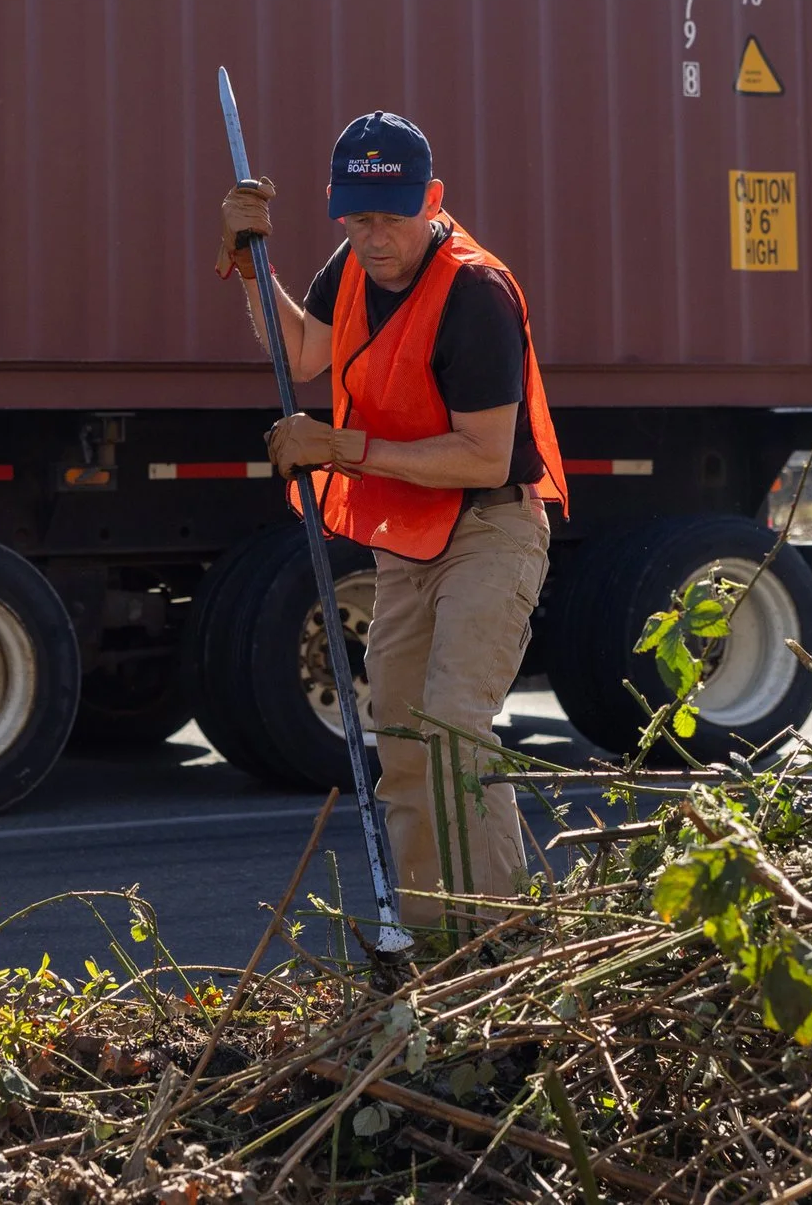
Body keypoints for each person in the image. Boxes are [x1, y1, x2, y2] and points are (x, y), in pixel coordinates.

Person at [215, 111, 568, 929]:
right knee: (403, 740)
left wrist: (338, 445)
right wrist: (248, 263)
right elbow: (301, 352)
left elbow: (485, 456)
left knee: (452, 725)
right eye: (357, 218)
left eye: (391, 218)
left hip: (491, 526)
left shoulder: (476, 293)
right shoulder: (355, 267)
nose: (375, 239)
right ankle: (426, 934)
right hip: (411, 537)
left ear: (432, 200)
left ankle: (498, 939)